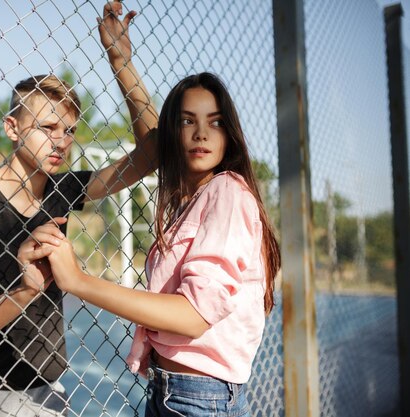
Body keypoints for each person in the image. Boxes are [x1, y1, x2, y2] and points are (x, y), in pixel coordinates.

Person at [0, 2, 158, 416]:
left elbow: (152, 153)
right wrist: (27, 290)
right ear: (12, 128)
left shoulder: (64, 189)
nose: (61, 141)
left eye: (69, 131)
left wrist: (121, 62)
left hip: (42, 387)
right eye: (47, 128)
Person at [27, 72, 281, 416]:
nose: (201, 133)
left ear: (229, 134)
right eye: (187, 121)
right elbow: (152, 145)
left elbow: (195, 315)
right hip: (176, 391)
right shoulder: (192, 198)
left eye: (215, 122)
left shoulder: (227, 192)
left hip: (201, 399)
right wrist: (120, 61)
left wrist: (79, 281)